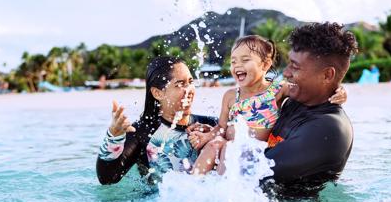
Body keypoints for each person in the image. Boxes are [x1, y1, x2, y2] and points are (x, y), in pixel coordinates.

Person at [188, 35, 346, 175]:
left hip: (255, 151)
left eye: (245, 60)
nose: (237, 65)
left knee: (229, 149)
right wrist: (207, 136)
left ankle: (223, 190)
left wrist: (339, 89)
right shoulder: (230, 96)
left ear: (265, 65)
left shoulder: (276, 89)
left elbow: (312, 87)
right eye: (233, 61)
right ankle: (193, 185)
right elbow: (221, 127)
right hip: (230, 144)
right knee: (214, 144)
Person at [263, 22, 357, 194]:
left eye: (295, 66)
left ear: (327, 75)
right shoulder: (295, 101)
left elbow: (254, 170)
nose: (286, 72)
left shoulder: (328, 128)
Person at [96, 56, 217, 185]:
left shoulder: (210, 125)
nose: (189, 90)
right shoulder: (142, 133)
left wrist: (215, 133)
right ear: (158, 93)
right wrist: (114, 138)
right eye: (180, 84)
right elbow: (107, 178)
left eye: (190, 82)